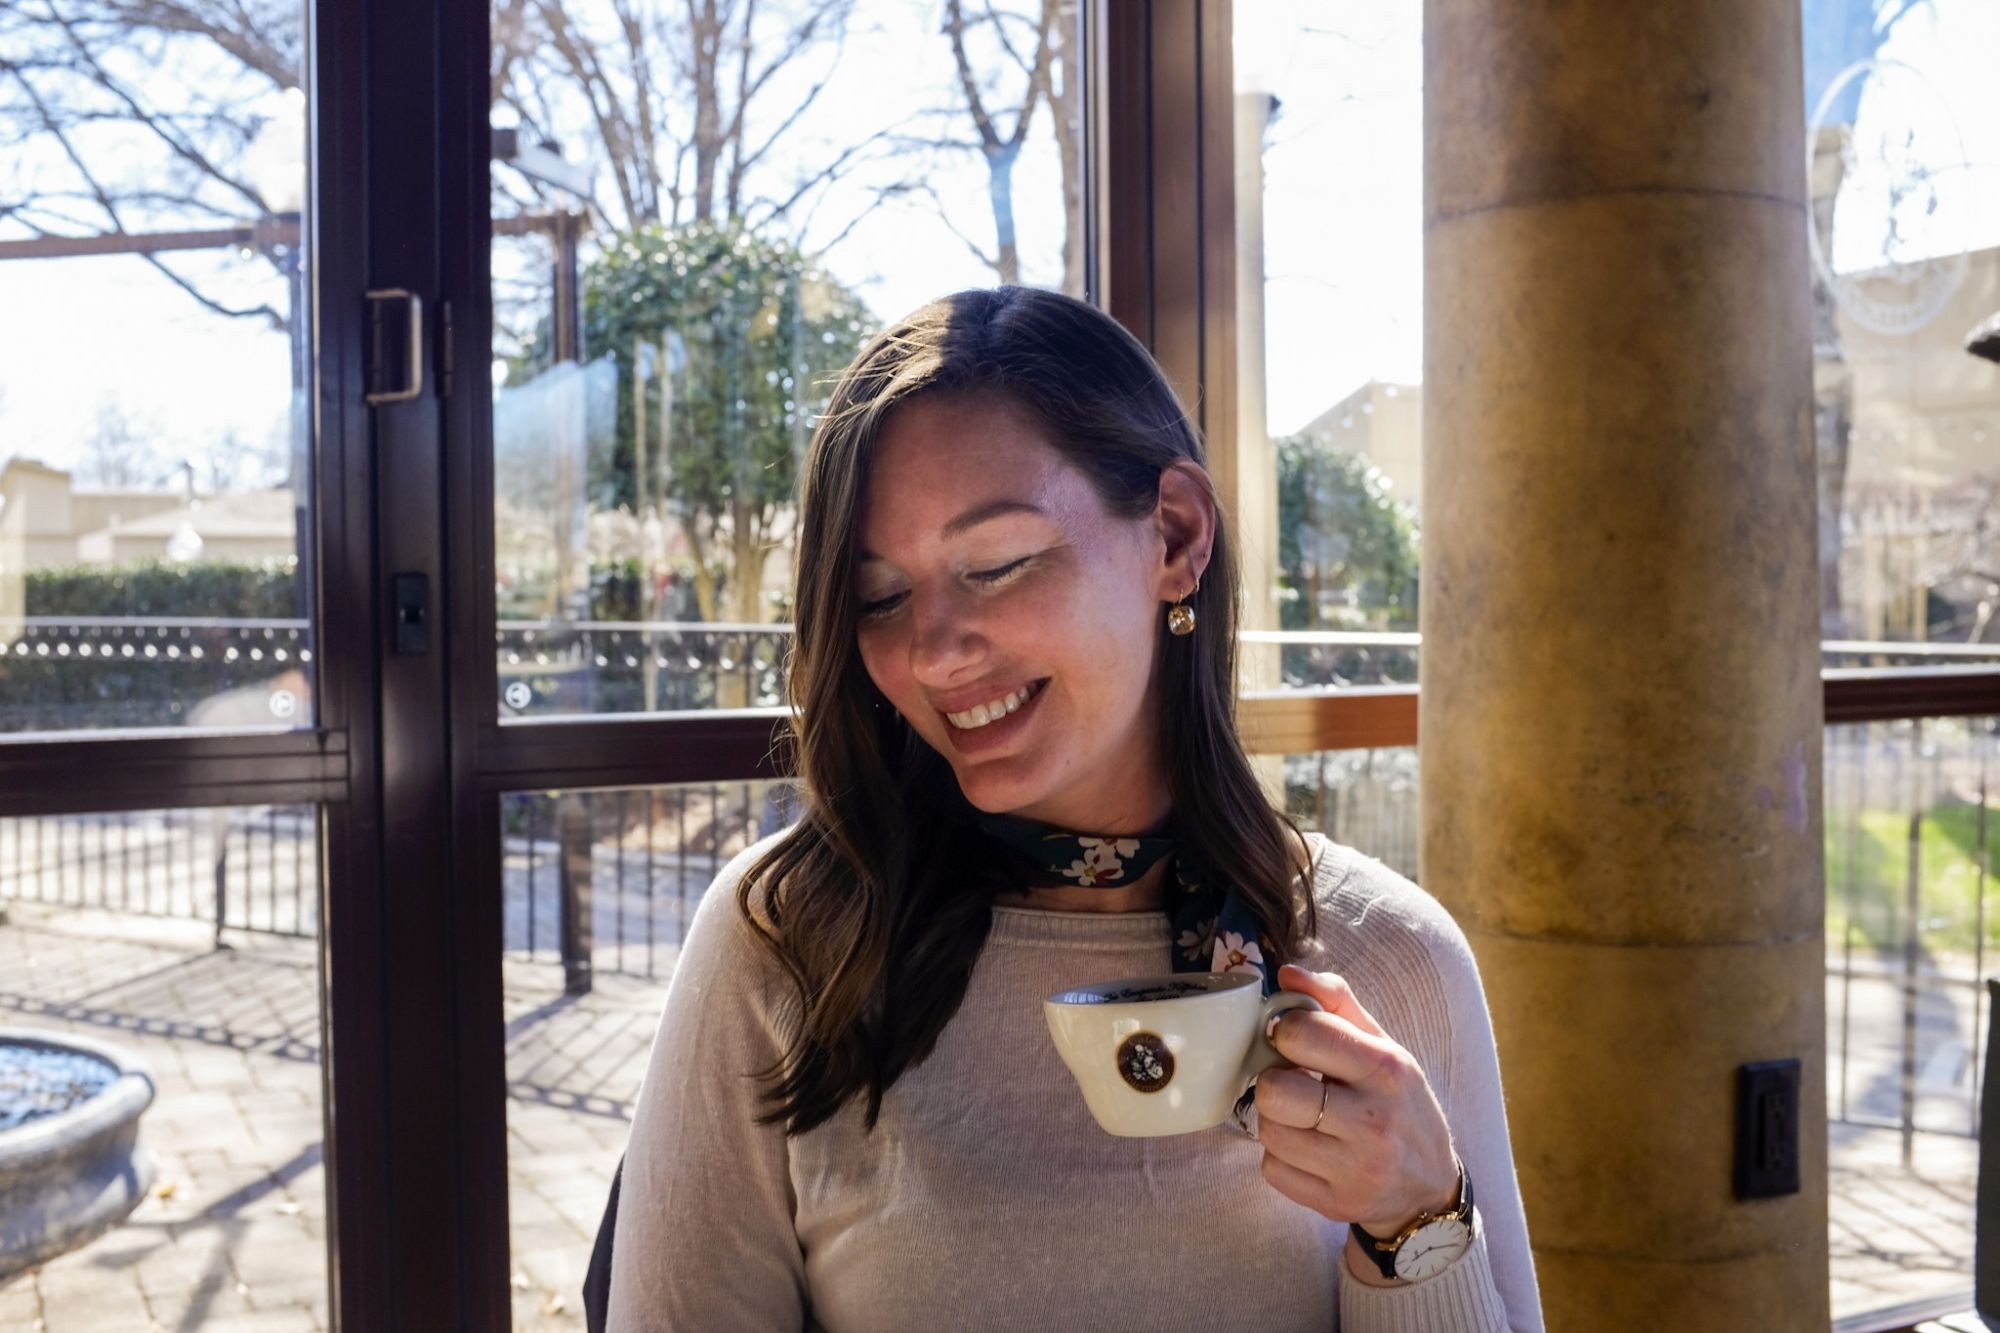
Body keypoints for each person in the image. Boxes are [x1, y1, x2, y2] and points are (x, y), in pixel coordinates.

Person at [604, 286, 1543, 1331]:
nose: (930, 650)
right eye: (879, 596)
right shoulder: (788, 944)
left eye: (997, 565)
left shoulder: (1391, 958)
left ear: (1175, 535)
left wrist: (1414, 1220)